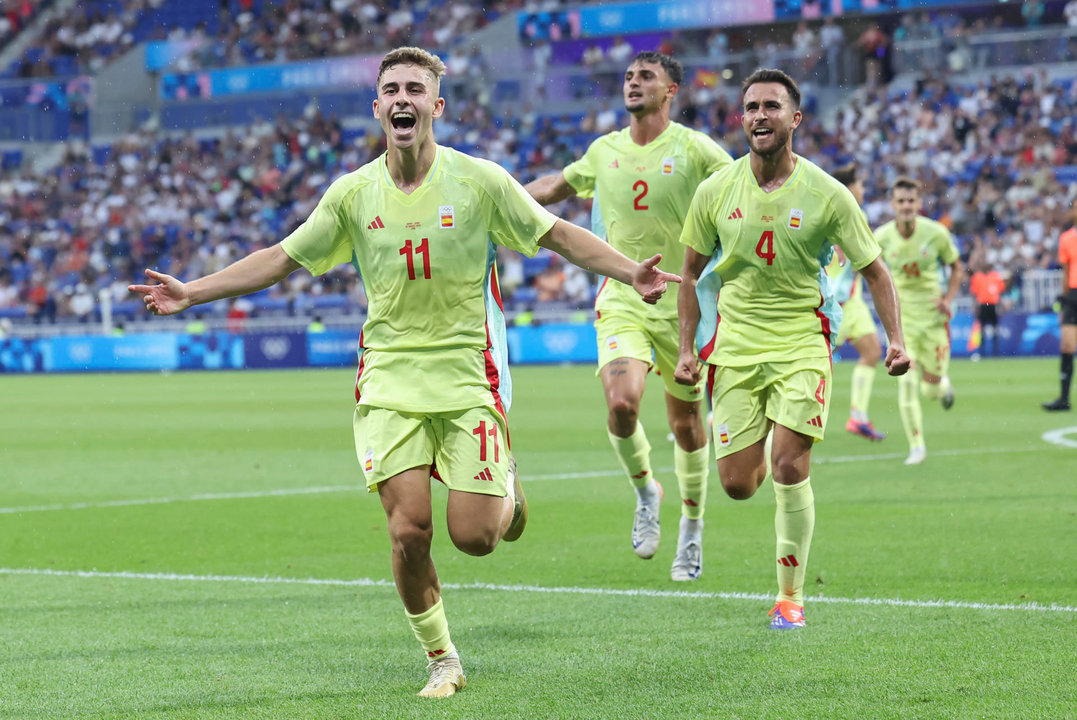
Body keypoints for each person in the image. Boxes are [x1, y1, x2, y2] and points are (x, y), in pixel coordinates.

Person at [129, 47, 679, 699]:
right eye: (391, 88)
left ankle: (506, 488)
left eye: (415, 88)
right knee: (408, 528)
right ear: (377, 108)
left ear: (435, 106)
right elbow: (280, 258)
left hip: (465, 380)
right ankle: (442, 657)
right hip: (388, 382)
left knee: (474, 538)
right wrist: (192, 292)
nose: (402, 98)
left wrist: (627, 270)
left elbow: (557, 233)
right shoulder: (353, 194)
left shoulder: (479, 182)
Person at [675, 69, 910, 630]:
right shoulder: (715, 191)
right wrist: (686, 348)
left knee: (788, 465)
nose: (760, 115)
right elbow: (688, 272)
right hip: (734, 348)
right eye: (751, 106)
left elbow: (875, 270)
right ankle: (763, 454)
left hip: (803, 343)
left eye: (772, 107)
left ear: (795, 119)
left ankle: (790, 597)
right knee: (736, 483)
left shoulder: (828, 194)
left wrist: (896, 339)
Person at [524, 51, 733, 581]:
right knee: (621, 405)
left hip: (685, 303)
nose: (633, 83)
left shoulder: (695, 150)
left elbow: (742, 194)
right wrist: (497, 202)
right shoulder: (604, 150)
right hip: (622, 297)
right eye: (628, 76)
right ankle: (646, 492)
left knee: (687, 426)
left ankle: (691, 525)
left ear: (671, 91)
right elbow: (554, 188)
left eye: (646, 77)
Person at [876, 177, 964, 465]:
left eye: (910, 201)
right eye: (900, 201)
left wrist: (948, 300)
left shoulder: (936, 234)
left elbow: (957, 268)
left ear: (918, 203)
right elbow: (871, 272)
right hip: (903, 323)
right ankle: (917, 446)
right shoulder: (882, 237)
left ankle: (943, 386)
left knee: (932, 386)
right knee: (906, 384)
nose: (906, 206)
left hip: (933, 320)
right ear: (893, 204)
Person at [826, 163, 886, 441]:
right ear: (850, 188)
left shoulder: (851, 213)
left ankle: (858, 417)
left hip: (852, 300)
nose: (863, 190)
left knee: (872, 350)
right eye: (860, 185)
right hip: (834, 303)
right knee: (815, 363)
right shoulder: (841, 214)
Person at [1043, 196, 1077, 411]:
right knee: (1066, 346)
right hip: (1073, 295)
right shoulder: (1066, 238)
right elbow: (1066, 273)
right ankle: (1064, 398)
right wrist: (1063, 299)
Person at [968, 260, 1006, 357]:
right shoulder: (978, 277)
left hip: (992, 305)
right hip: (984, 305)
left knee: (994, 329)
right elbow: (974, 294)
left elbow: (999, 291)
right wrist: (975, 307)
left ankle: (995, 352)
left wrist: (1001, 305)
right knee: (982, 329)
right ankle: (982, 352)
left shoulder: (994, 276)